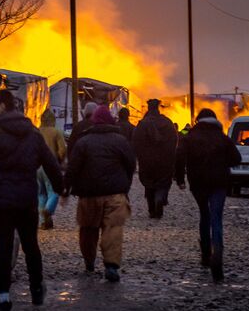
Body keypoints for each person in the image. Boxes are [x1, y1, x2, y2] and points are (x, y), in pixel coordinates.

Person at [0, 90, 63, 311]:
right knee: (31, 245)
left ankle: (3, 300)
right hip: (26, 200)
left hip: (0, 202)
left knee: (3, 248)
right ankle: (36, 288)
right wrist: (61, 188)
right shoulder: (33, 134)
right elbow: (51, 164)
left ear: (2, 106)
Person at [66, 106, 135, 282]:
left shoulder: (83, 141)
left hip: (89, 195)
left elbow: (73, 168)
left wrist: (66, 187)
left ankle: (89, 262)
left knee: (88, 230)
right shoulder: (120, 141)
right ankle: (111, 265)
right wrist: (125, 186)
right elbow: (130, 165)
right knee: (113, 229)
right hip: (115, 193)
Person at [175, 108, 241, 283]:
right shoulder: (222, 138)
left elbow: (179, 157)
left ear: (198, 120)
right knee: (216, 218)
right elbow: (236, 159)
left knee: (204, 215)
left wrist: (180, 179)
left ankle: (205, 254)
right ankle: (217, 253)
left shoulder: (189, 137)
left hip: (198, 184)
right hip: (219, 183)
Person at [132, 98, 178, 219]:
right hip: (165, 159)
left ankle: (152, 208)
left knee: (149, 183)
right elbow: (174, 140)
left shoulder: (142, 124)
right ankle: (159, 198)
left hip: (147, 160)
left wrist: (140, 156)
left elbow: (136, 142)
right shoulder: (167, 122)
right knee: (163, 182)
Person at [37, 109, 66, 229]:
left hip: (37, 166)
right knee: (54, 191)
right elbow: (62, 150)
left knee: (41, 193)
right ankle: (48, 210)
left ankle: (43, 221)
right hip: (51, 165)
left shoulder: (36, 132)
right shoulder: (56, 132)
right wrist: (60, 159)